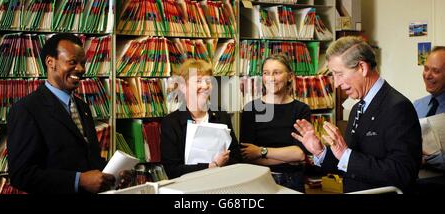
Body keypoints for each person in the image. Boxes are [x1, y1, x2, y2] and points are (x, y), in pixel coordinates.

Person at [291, 36, 422, 193]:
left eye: (339, 74)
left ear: (362, 68)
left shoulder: (398, 107)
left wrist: (346, 154)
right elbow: (348, 164)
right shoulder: (357, 108)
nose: (337, 83)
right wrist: (320, 152)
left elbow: (402, 174)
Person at [7, 34, 130, 194]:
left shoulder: (82, 107)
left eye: (83, 63)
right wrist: (79, 180)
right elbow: (21, 175)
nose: (80, 69)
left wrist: (111, 174)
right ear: (51, 62)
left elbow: (88, 158)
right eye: (72, 62)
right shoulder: (26, 109)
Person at [160, 59, 241, 179]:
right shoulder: (171, 122)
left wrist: (226, 160)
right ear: (183, 87)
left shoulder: (221, 115)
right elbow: (173, 171)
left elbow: (237, 157)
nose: (205, 86)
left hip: (221, 183)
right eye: (198, 81)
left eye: (208, 81)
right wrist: (212, 166)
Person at [240, 54, 310, 192]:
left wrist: (261, 151)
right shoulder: (251, 109)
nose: (271, 78)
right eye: (266, 73)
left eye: (276, 73)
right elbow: (247, 155)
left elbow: (300, 154)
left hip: (292, 180)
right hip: (259, 180)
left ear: (290, 76)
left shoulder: (301, 110)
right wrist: (288, 158)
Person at [413, 46, 445, 170]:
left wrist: (429, 159)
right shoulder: (417, 105)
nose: (427, 75)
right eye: (426, 69)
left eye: (435, 71)